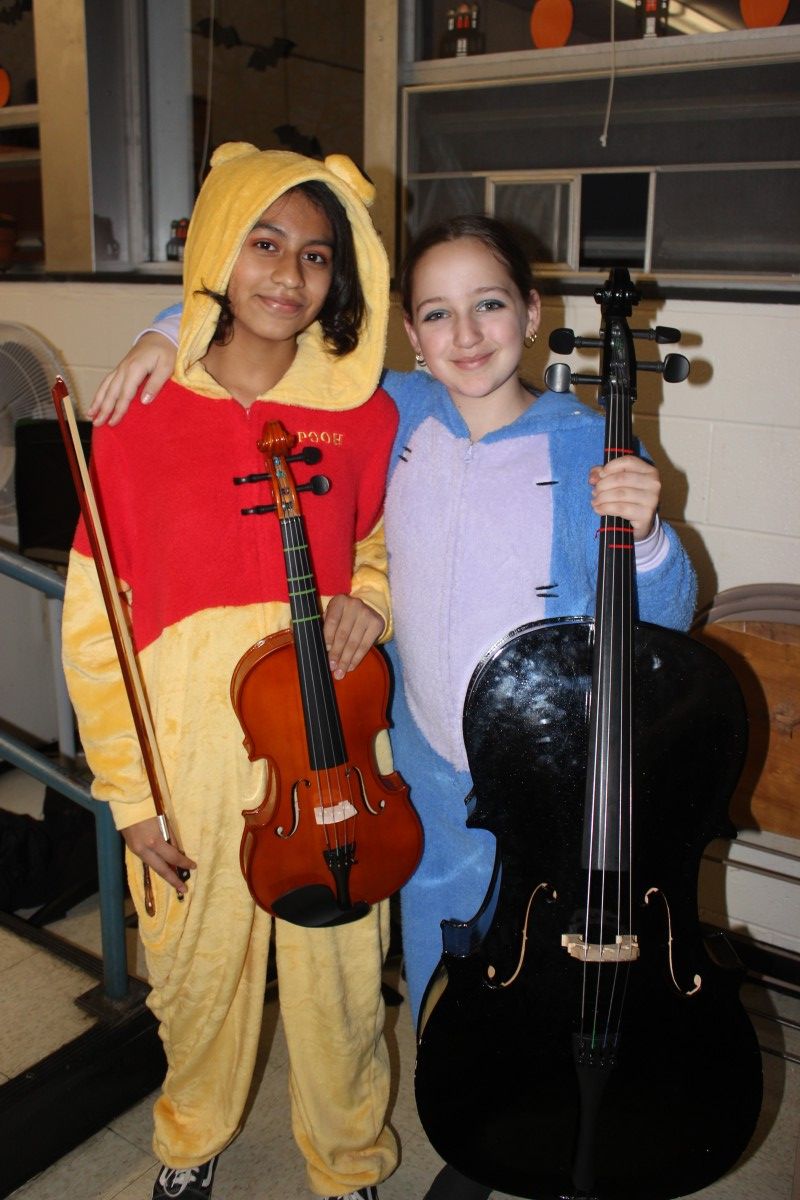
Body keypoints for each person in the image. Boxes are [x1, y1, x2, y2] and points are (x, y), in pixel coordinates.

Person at [90, 213, 697, 1200]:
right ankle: (466, 1125)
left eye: (489, 305)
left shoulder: (591, 441)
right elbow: (273, 324)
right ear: (411, 334)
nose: (466, 334)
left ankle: (539, 1128)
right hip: (416, 768)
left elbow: (660, 624)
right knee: (440, 972)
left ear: (533, 314)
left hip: (542, 777)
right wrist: (170, 325)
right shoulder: (395, 408)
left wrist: (651, 532)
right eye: (437, 313)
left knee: (546, 979)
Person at [62, 143, 401, 1200]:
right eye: (263, 243)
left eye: (312, 255)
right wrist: (128, 793)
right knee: (198, 975)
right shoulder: (134, 415)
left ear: (337, 279)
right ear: (218, 247)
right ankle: (190, 1141)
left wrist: (369, 602)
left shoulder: (367, 413)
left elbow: (382, 549)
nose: (285, 275)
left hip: (332, 746)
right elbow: (94, 625)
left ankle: (347, 1165)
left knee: (342, 975)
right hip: (189, 756)